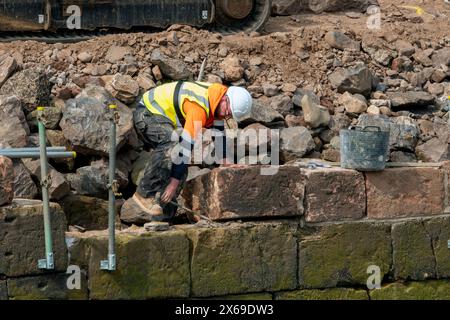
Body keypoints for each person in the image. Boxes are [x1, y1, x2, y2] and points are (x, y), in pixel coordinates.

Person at [130, 81, 253, 222]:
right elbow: (185, 147)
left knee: (180, 171)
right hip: (147, 112)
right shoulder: (199, 108)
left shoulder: (216, 100)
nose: (226, 116)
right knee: (173, 143)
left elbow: (219, 135)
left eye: (229, 115)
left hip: (161, 117)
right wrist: (173, 184)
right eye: (227, 112)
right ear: (225, 99)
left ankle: (163, 215)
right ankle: (145, 194)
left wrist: (227, 163)